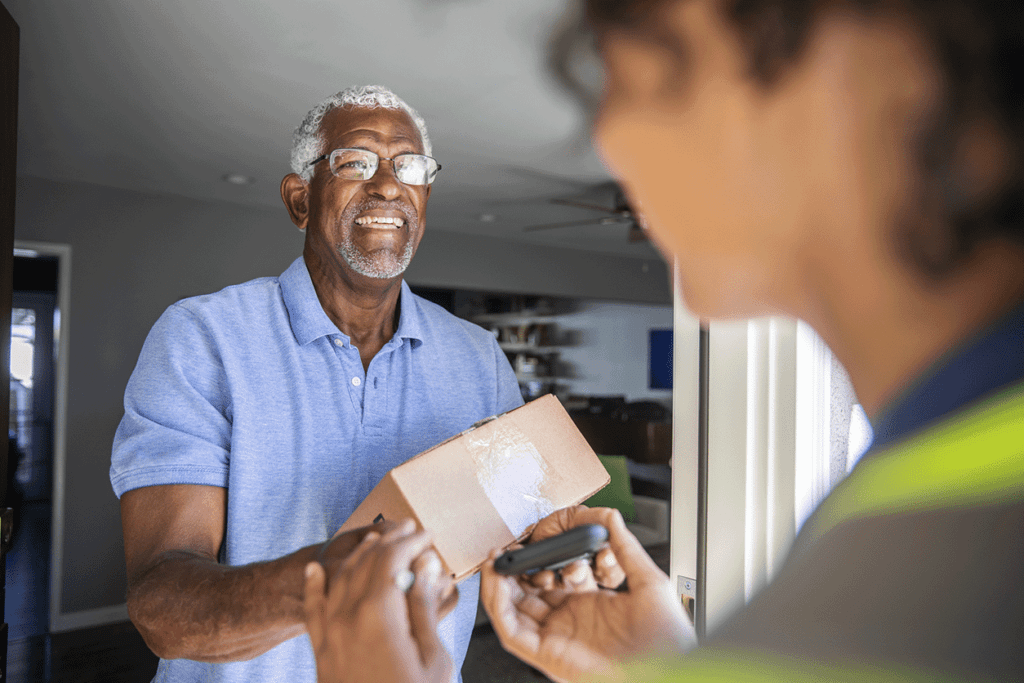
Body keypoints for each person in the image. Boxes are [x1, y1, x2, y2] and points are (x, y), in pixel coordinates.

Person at [305, 2, 1024, 681]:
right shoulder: (922, 509)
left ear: (869, 61)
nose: (611, 130)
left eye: (635, 63)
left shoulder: (897, 603)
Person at [110, 85, 522, 683]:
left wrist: (549, 550)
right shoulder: (202, 338)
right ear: (300, 199)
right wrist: (328, 582)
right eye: (356, 162)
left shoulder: (479, 357)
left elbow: (509, 537)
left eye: (409, 165)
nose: (388, 185)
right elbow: (161, 606)